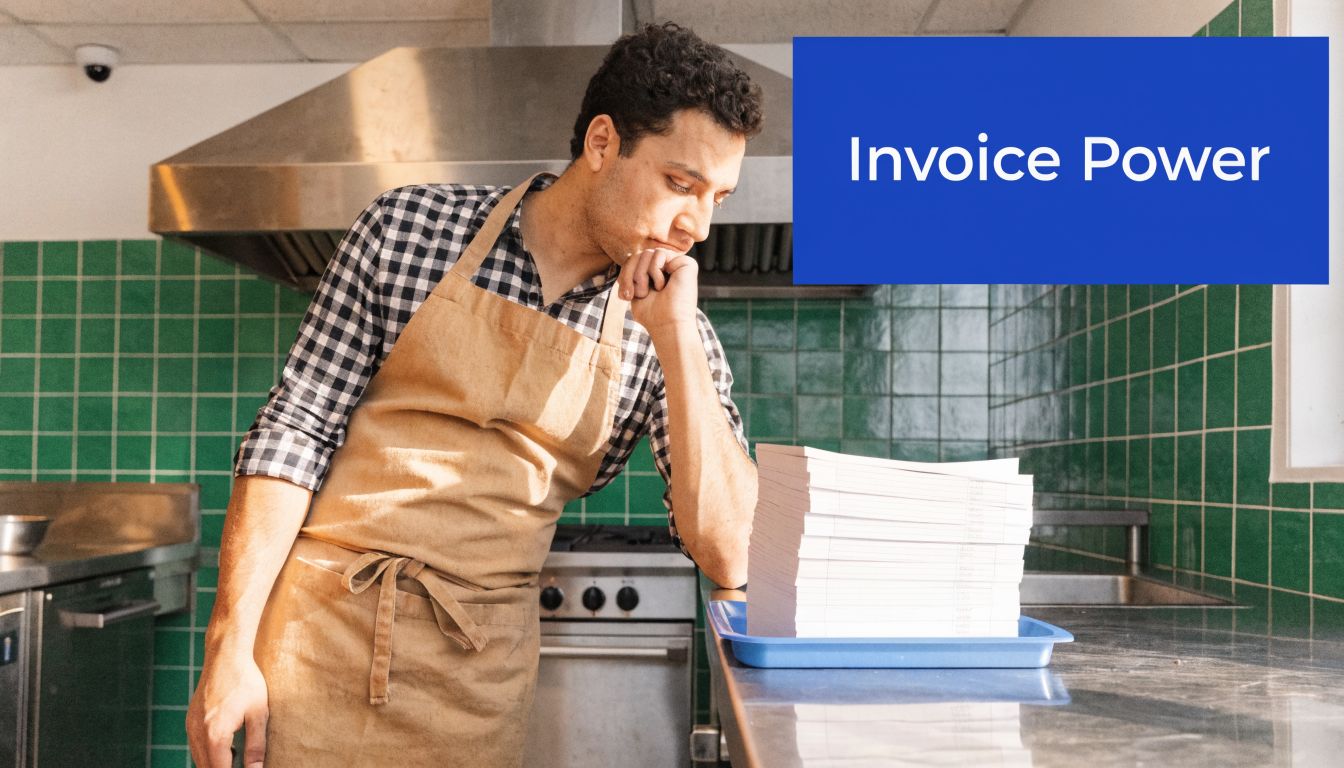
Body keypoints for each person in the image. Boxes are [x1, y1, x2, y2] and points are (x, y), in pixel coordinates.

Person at [186, 21, 762, 768]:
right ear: (601, 144)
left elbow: (732, 552)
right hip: (310, 646)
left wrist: (677, 341)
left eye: (717, 196)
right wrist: (229, 650)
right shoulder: (408, 229)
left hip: (475, 681)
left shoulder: (673, 334)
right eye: (680, 184)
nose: (698, 225)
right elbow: (295, 431)